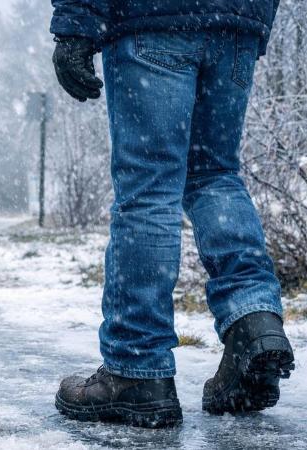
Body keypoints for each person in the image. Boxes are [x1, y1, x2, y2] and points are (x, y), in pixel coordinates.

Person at [48, 0, 296, 428]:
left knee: (149, 189)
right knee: (215, 174)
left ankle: (137, 368)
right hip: (236, 24)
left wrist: (75, 23)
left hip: (153, 19)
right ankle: (253, 319)